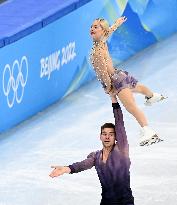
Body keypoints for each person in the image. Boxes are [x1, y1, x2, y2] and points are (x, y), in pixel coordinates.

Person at [89, 16, 166, 146]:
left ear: (102, 31)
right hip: (120, 75)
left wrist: (109, 88)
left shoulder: (96, 51)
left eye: (96, 27)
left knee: (131, 107)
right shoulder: (102, 41)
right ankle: (152, 96)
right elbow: (109, 31)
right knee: (139, 88)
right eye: (92, 26)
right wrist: (116, 24)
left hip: (116, 81)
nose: (92, 28)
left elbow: (103, 74)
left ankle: (149, 132)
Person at [49, 96, 134, 205]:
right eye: (104, 134)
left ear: (116, 137)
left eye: (111, 134)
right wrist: (67, 168)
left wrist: (114, 100)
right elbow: (82, 165)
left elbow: (119, 123)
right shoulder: (96, 156)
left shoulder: (121, 150)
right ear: (100, 137)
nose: (107, 137)